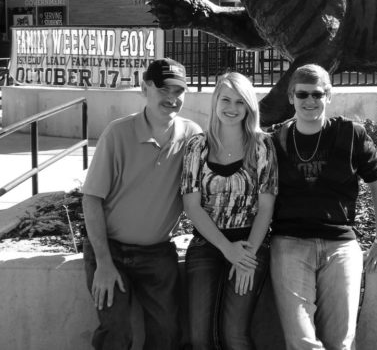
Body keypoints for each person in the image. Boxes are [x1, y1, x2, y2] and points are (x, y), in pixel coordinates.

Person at [82, 58, 202, 350]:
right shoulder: (117, 133)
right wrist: (104, 264)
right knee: (116, 331)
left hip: (158, 254)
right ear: (145, 88)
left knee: (168, 334)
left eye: (179, 90)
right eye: (164, 89)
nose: (172, 98)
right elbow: (91, 199)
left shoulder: (193, 137)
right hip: (111, 251)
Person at [269, 63, 377, 350]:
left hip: (341, 244)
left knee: (341, 341)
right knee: (301, 341)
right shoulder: (277, 140)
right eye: (302, 95)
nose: (310, 101)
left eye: (317, 94)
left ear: (329, 96)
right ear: (291, 97)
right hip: (289, 243)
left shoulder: (351, 134)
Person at [180, 72, 278, 350]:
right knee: (200, 337)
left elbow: (266, 207)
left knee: (234, 335)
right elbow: (191, 206)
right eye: (226, 99)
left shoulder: (261, 145)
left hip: (251, 243)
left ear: (249, 107)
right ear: (215, 102)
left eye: (240, 101)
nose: (232, 108)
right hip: (207, 244)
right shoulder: (197, 146)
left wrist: (245, 256)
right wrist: (227, 249)